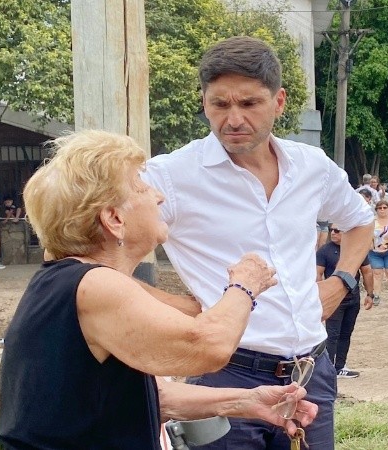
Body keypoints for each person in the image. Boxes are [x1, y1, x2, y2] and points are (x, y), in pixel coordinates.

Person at [0, 130, 318, 449]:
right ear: (113, 219)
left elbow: (156, 396)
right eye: (141, 186)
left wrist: (250, 401)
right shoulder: (94, 286)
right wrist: (244, 284)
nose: (158, 196)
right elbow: (208, 346)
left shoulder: (66, 283)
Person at [141, 36, 373, 450]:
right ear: (204, 102)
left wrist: (341, 282)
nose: (233, 119)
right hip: (226, 374)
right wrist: (184, 311)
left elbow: (359, 221)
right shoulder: (171, 177)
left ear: (279, 102)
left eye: (249, 104)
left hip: (309, 373)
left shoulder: (310, 166)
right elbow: (90, 259)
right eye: (219, 104)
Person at [316, 223, 374, 378]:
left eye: (337, 230)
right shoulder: (324, 251)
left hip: (353, 297)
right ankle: (327, 369)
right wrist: (320, 296)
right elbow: (317, 275)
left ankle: (340, 366)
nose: (333, 233)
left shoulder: (355, 250)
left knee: (346, 333)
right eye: (331, 230)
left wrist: (370, 294)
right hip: (334, 299)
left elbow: (367, 271)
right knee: (332, 334)